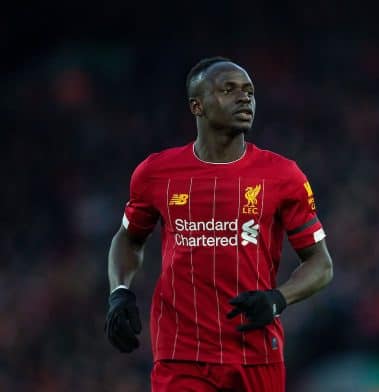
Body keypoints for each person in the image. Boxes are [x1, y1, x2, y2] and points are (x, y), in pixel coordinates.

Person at [104, 56, 334, 392]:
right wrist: (119, 292)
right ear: (197, 106)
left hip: (255, 352)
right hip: (181, 354)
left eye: (249, 92)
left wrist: (278, 298)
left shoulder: (283, 175)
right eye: (229, 90)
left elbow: (321, 264)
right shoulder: (155, 173)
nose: (245, 98)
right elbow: (128, 239)